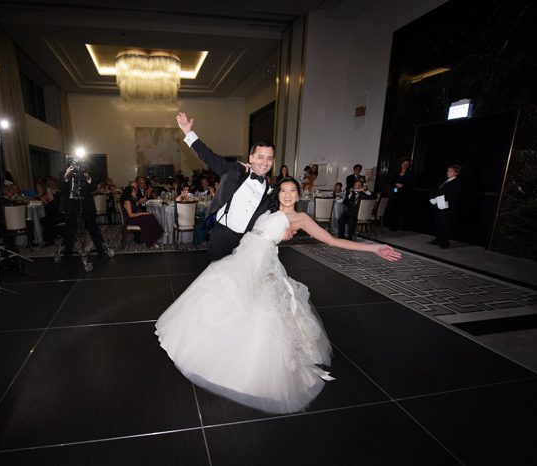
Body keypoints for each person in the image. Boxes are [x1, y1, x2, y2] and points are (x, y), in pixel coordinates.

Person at [156, 177, 401, 414]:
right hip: (242, 259)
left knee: (257, 312)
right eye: (283, 190)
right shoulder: (269, 210)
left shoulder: (300, 218)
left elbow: (332, 241)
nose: (287, 195)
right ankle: (210, 350)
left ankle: (244, 366)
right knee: (220, 298)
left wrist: (374, 247)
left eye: (292, 191)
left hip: (260, 266)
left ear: (298, 194)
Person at [176, 112, 289, 261]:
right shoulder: (235, 171)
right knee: (216, 277)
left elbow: (276, 214)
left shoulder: (270, 190)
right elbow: (209, 156)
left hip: (247, 241)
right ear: (251, 158)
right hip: (222, 235)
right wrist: (187, 131)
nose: (264, 162)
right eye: (260, 157)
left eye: (269, 158)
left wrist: (284, 229)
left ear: (273, 161)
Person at [60, 165, 109, 259]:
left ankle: (101, 251)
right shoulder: (65, 173)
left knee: (93, 228)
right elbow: (62, 189)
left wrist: (88, 178)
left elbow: (94, 188)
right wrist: (66, 175)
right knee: (70, 230)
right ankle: (67, 254)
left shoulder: (87, 172)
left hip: (86, 205)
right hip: (71, 205)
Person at [429, 164, 461, 249]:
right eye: (448, 171)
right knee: (438, 222)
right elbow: (437, 190)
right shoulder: (445, 180)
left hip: (447, 206)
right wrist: (433, 198)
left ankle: (445, 242)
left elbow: (452, 195)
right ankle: (438, 239)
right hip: (439, 205)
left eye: (450, 171)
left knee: (445, 224)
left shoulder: (457, 182)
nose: (448, 172)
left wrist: (438, 199)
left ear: (456, 173)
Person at [386, 159, 413, 231]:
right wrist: (395, 184)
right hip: (394, 193)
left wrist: (403, 186)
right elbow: (390, 181)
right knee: (393, 209)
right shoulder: (396, 172)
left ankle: (398, 226)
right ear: (401, 164)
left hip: (404, 194)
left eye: (407, 164)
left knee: (400, 211)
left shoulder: (410, 174)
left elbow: (411, 185)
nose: (405, 165)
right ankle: (392, 225)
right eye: (404, 163)